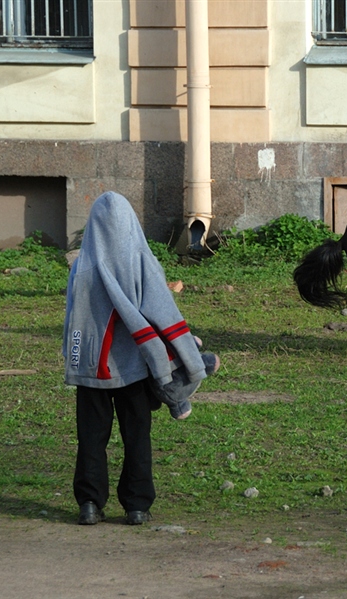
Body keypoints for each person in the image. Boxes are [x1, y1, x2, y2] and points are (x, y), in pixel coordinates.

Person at [63, 191, 219, 526]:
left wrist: (72, 358)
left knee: (91, 437)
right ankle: (137, 506)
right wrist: (182, 349)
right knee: (136, 435)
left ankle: (89, 503)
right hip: (134, 366)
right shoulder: (142, 260)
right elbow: (162, 309)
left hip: (92, 368)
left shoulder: (83, 266)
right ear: (131, 224)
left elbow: (73, 319)